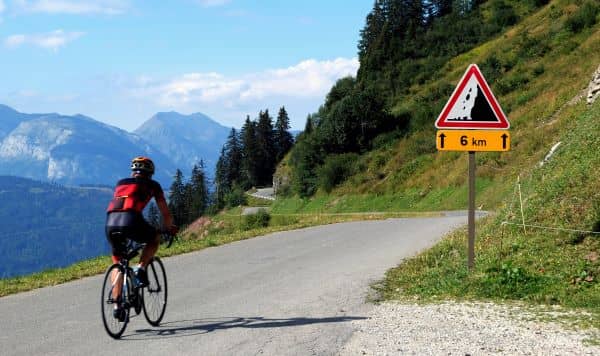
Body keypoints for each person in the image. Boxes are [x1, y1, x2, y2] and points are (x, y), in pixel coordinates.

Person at [105, 156, 177, 320]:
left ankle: (117, 305)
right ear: (150, 172)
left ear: (133, 171)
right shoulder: (154, 185)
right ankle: (141, 268)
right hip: (131, 220)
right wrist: (170, 228)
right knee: (153, 239)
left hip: (110, 222)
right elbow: (165, 213)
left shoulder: (121, 183)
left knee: (118, 261)